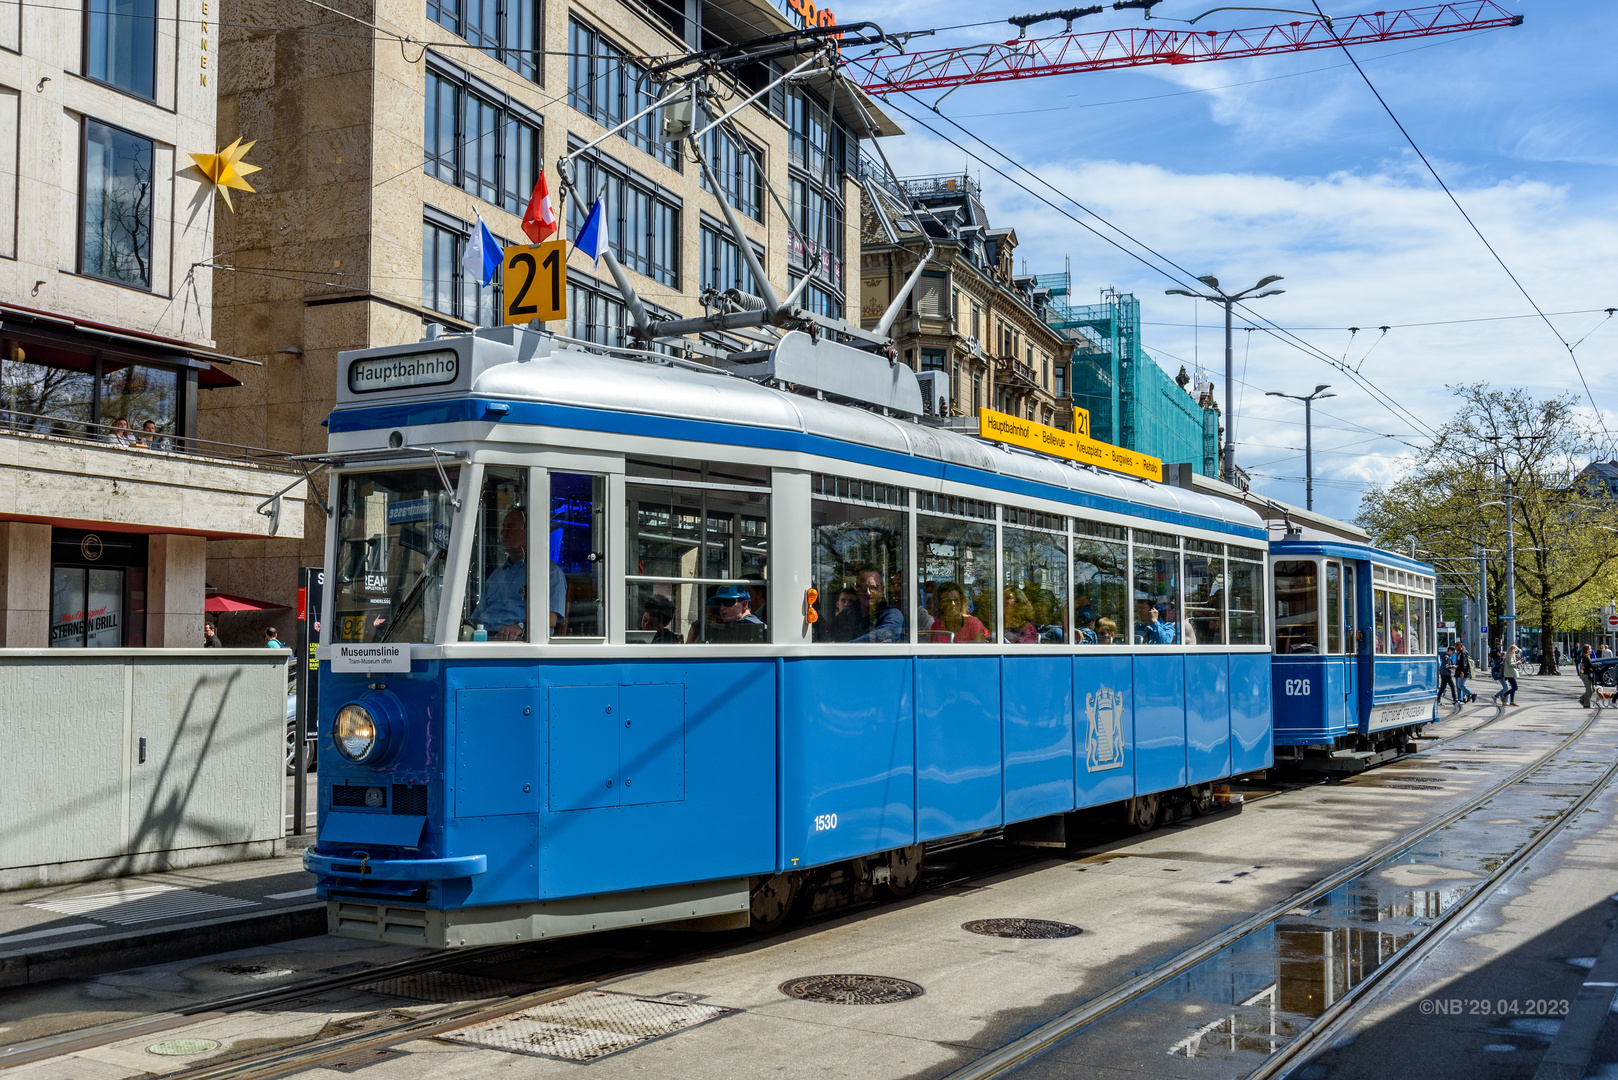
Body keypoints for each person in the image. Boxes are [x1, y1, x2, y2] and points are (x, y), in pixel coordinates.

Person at [471, 508, 531, 640]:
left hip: (519, 643)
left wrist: (521, 627)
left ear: (529, 532)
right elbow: (477, 617)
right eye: (504, 527)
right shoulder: (496, 575)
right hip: (485, 638)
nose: (503, 532)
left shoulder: (548, 573)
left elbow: (551, 619)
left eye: (511, 527)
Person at [848, 567, 905, 643]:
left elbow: (881, 636)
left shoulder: (892, 615)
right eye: (862, 587)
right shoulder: (846, 615)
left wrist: (843, 646)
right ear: (857, 590)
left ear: (882, 589)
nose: (868, 592)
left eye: (873, 588)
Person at [1578, 643, 1596, 709]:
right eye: (1590, 648)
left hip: (1586, 673)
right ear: (1587, 650)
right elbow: (1589, 665)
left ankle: (1582, 699)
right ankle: (1586, 704)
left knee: (1593, 689)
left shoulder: (1585, 656)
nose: (1591, 650)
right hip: (1585, 674)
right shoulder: (1585, 657)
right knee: (1589, 689)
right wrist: (1596, 666)